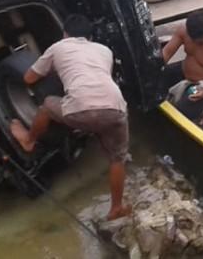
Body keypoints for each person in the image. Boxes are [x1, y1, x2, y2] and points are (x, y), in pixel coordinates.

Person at [10, 15, 132, 220]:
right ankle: (116, 207)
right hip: (116, 108)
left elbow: (28, 78)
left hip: (79, 110)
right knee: (117, 158)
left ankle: (29, 140)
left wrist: (57, 71)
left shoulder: (58, 47)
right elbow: (98, 79)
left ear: (65, 34)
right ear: (90, 37)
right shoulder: (105, 50)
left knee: (48, 104)